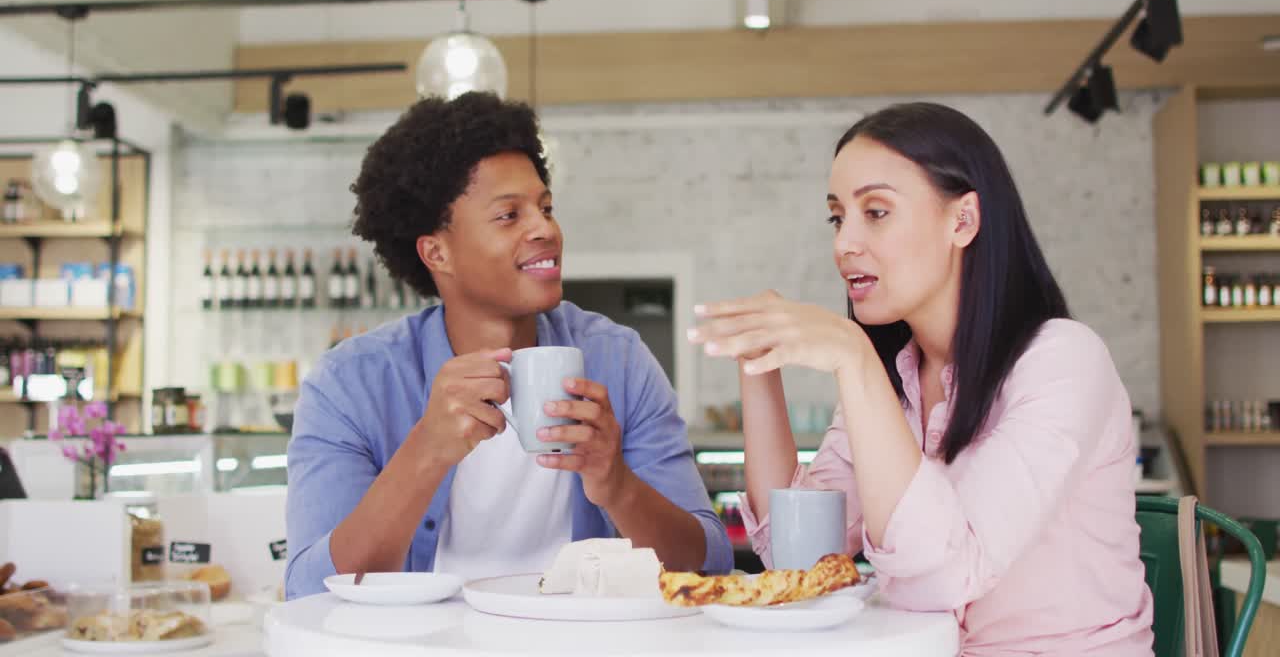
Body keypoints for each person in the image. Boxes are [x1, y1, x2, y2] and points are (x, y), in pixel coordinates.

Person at [688, 102, 1153, 654]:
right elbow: (800, 561)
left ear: (963, 220)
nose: (844, 244)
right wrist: (757, 362)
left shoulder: (1062, 361)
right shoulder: (892, 381)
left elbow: (945, 576)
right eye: (838, 218)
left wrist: (855, 358)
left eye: (876, 212)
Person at [285, 92, 731, 599]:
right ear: (437, 252)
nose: (545, 229)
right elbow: (310, 591)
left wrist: (616, 484)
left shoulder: (618, 361)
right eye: (509, 215)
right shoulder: (349, 384)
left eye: (546, 208)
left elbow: (709, 565)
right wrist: (426, 451)